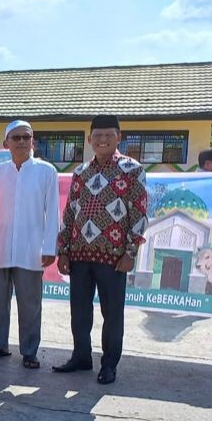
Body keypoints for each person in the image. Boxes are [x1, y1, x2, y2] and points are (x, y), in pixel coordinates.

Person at [54, 115, 148, 385]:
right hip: (79, 255)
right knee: (79, 312)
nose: (103, 140)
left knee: (112, 313)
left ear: (119, 137)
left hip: (114, 256)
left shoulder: (132, 170)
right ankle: (81, 357)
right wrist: (63, 250)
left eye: (108, 135)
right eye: (97, 135)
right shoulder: (81, 172)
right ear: (89, 139)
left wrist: (130, 252)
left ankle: (109, 365)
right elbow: (70, 212)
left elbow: (139, 212)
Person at [0, 120, 60, 369]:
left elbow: (52, 213)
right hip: (0, 248)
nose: (22, 141)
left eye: (26, 137)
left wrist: (49, 247)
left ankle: (30, 351)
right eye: (16, 137)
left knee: (30, 305)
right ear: (6, 143)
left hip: (30, 250)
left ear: (33, 141)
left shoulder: (46, 171)